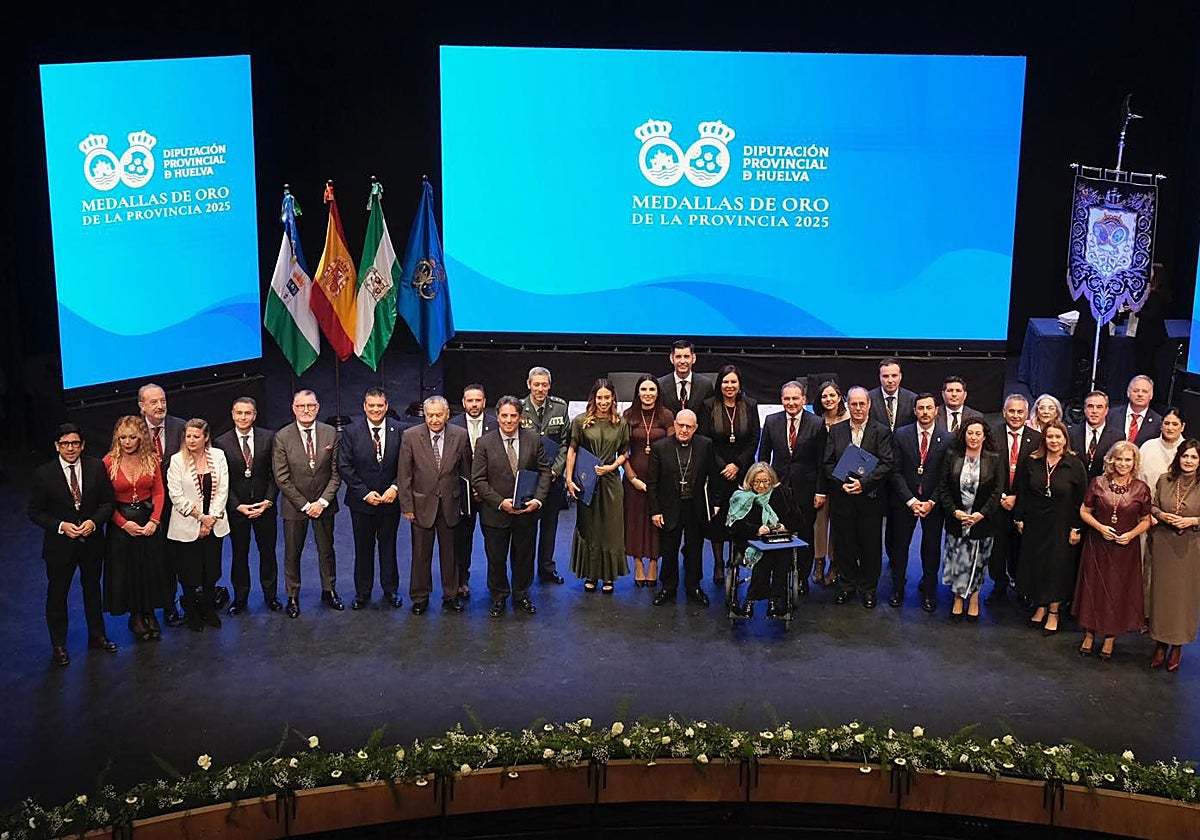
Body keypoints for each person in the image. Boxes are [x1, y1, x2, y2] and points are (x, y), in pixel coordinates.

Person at [28, 423, 117, 665]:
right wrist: (61, 526)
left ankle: (97, 636)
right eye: (66, 444)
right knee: (58, 595)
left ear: (82, 445)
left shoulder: (96, 467)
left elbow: (108, 503)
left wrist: (94, 522)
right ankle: (58, 645)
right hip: (60, 546)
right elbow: (35, 512)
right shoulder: (44, 474)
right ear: (57, 446)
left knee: (92, 591)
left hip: (91, 542)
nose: (71, 448)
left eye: (75, 443)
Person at [472, 395, 551, 617]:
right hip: (495, 514)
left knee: (524, 557)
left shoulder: (533, 439)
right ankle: (498, 597)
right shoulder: (484, 443)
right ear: (497, 417)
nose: (508, 420)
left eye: (513, 416)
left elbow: (545, 471)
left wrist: (538, 499)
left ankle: (521, 595)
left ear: (520, 417)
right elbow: (478, 479)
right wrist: (500, 503)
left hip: (526, 512)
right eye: (504, 416)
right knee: (496, 559)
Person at [1073, 441, 1152, 660]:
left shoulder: (1141, 489)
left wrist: (1131, 534)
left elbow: (1147, 520)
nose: (1123, 464)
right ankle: (1089, 634)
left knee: (1117, 592)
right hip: (1098, 545)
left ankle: (1109, 638)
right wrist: (1099, 528)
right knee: (1094, 589)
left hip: (1125, 549)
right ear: (1111, 460)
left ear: (1134, 462)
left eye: (1128, 460)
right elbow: (1084, 511)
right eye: (1119, 459)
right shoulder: (1098, 483)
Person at [398, 395, 472, 614]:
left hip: (450, 505)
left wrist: (465, 503)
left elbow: (465, 472)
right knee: (421, 555)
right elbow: (404, 476)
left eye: (439, 415)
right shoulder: (410, 436)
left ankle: (451, 595)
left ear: (447, 414)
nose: (434, 419)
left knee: (451, 554)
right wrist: (407, 507)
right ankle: (419, 596)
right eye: (430, 415)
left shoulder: (460, 435)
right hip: (421, 506)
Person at [272, 389, 342, 619]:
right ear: (293, 409)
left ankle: (329, 590)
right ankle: (292, 596)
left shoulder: (330, 433)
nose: (306, 410)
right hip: (295, 507)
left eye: (310, 406)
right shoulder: (282, 437)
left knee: (326, 550)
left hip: (324, 505)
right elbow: (281, 477)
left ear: (318, 407)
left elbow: (336, 473)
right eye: (301, 406)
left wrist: (322, 502)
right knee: (293, 553)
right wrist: (305, 505)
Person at [1013, 420, 1088, 635]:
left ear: (1065, 439)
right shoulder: (1032, 461)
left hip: (1062, 524)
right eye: (1050, 437)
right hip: (1036, 522)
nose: (1054, 441)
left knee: (1056, 567)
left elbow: (1081, 499)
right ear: (1043, 439)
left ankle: (1053, 612)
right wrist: (1019, 518)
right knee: (1036, 564)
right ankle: (1040, 606)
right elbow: (1023, 492)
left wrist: (1077, 528)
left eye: (1058, 437)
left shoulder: (1074, 465)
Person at [824, 386, 894, 609]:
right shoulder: (836, 430)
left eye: (862, 403)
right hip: (842, 498)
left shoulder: (881, 431)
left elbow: (887, 463)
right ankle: (846, 586)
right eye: (853, 404)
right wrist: (843, 483)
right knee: (844, 546)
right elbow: (827, 463)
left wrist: (862, 485)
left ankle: (868, 589)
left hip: (870, 500)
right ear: (847, 404)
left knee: (870, 547)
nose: (858, 408)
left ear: (869, 405)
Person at [214, 397, 282, 616]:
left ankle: (271, 596)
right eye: (239, 413)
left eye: (248, 413)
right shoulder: (221, 442)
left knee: (268, 552)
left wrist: (269, 500)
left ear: (255, 415)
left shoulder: (268, 438)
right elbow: (223, 480)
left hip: (265, 507)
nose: (243, 417)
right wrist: (236, 506)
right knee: (239, 554)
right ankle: (240, 598)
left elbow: (275, 474)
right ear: (233, 414)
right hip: (238, 510)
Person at [758, 380, 826, 596]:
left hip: (806, 490)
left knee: (804, 534)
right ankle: (779, 574)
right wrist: (762, 488)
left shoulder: (816, 423)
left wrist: (820, 491)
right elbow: (764, 457)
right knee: (777, 533)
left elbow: (822, 461)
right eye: (787, 398)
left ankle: (802, 577)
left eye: (795, 398)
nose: (791, 402)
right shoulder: (771, 421)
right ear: (781, 400)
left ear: (804, 400)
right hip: (777, 490)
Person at [338, 388, 403, 611]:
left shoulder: (399, 430)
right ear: (364, 406)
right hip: (361, 503)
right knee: (362, 548)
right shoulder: (350, 431)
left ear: (386, 406)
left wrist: (395, 487)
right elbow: (344, 466)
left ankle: (391, 589)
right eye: (371, 405)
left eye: (380, 405)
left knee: (389, 547)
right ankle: (362, 592)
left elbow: (405, 464)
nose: (376, 409)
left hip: (390, 501)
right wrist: (364, 492)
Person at [102, 417, 167, 641]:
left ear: (141, 438)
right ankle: (135, 615)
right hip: (121, 523)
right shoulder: (109, 462)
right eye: (123, 438)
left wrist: (154, 521)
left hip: (147, 519)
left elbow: (159, 492)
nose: (127, 442)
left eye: (132, 437)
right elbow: (104, 500)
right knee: (127, 570)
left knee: (149, 568)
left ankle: (149, 612)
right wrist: (123, 523)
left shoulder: (151, 459)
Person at [888, 394, 953, 611]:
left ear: (936, 411)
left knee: (931, 548)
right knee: (899, 547)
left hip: (933, 504)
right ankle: (897, 588)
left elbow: (946, 476)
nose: (925, 412)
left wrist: (932, 501)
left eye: (929, 408)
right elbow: (895, 471)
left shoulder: (947, 438)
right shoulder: (901, 435)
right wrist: (910, 500)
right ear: (914, 411)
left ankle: (930, 591)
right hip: (905, 501)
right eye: (920, 408)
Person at [566, 379, 630, 592]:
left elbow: (624, 453)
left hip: (611, 484)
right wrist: (569, 479)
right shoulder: (580, 421)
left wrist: (612, 467)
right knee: (590, 528)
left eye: (607, 397)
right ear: (593, 398)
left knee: (610, 529)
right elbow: (572, 450)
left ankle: (609, 576)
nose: (603, 401)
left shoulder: (620, 423)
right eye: (599, 397)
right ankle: (591, 574)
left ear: (613, 398)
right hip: (587, 483)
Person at [647, 409, 716, 607]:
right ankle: (668, 587)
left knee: (695, 548)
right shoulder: (660, 447)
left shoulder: (705, 445)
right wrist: (655, 510)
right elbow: (652, 483)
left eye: (689, 426)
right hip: (669, 506)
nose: (684, 430)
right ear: (675, 425)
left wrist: (716, 503)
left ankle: (693, 586)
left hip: (695, 506)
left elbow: (713, 476)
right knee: (669, 549)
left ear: (695, 428)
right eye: (681, 425)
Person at [165, 419, 230, 632]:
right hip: (187, 525)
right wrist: (200, 518)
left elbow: (223, 490)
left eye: (196, 436)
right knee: (189, 572)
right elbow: (175, 494)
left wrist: (211, 518)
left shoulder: (218, 456)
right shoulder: (176, 461)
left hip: (214, 524)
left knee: (211, 570)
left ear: (206, 437)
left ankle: (208, 609)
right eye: (188, 436)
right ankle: (192, 612)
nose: (191, 440)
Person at [700, 365, 761, 584]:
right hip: (716, 470)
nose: (729, 386)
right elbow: (706, 440)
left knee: (741, 515)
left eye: (733, 382)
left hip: (743, 471)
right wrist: (723, 466)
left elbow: (755, 438)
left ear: (739, 384)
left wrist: (737, 464)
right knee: (718, 519)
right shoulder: (708, 406)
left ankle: (735, 557)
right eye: (725, 382)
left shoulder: (750, 405)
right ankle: (717, 563)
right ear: (719, 384)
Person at [937, 419, 1003, 622]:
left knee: (978, 562)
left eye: (977, 434)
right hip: (957, 519)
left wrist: (980, 514)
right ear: (963, 435)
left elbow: (997, 491)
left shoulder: (994, 458)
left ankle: (973, 598)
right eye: (969, 433)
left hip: (982, 521)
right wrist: (955, 512)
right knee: (958, 561)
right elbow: (943, 487)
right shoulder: (952, 456)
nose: (973, 437)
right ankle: (957, 598)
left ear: (984, 436)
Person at [138, 382, 188, 626]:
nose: (160, 406)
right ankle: (165, 605)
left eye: (163, 400)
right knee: (158, 560)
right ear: (141, 406)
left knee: (182, 556)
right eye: (153, 402)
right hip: (148, 509)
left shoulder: (181, 427)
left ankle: (187, 601)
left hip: (180, 506)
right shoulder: (133, 431)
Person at [1147, 439, 1200, 672]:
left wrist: (1193, 520)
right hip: (1163, 543)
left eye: (1194, 457)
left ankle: (1177, 645)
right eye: (1185, 456)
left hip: (1190, 547)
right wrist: (1163, 516)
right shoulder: (1165, 480)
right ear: (1178, 458)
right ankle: (1160, 643)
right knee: (1162, 595)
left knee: (1183, 598)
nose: (1188, 461)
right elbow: (1152, 506)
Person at [727, 462, 801, 619]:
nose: (762, 485)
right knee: (765, 555)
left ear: (772, 480)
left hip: (779, 541)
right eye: (757, 481)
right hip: (751, 541)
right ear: (750, 482)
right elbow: (734, 526)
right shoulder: (741, 497)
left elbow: (798, 519)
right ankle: (752, 601)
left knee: (782, 556)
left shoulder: (780, 494)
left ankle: (773, 601)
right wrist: (756, 530)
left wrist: (783, 526)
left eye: (766, 481)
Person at [620, 375, 674, 587]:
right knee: (635, 522)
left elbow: (671, 447)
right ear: (638, 393)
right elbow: (622, 450)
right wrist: (632, 478)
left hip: (659, 479)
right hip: (634, 478)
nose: (648, 393)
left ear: (658, 392)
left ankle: (653, 562)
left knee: (655, 522)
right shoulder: (628, 415)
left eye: (652, 389)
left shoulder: (667, 415)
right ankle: (638, 563)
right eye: (644, 389)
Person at [989, 394, 1042, 605]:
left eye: (1020, 412)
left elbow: (1037, 475)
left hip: (1024, 504)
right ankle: (998, 585)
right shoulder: (992, 436)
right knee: (997, 548)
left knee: (1021, 548)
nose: (1016, 415)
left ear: (1027, 414)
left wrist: (1017, 498)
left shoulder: (1038, 439)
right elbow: (988, 470)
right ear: (1004, 412)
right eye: (1011, 411)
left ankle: (1022, 588)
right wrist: (1002, 495)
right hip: (997, 503)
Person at [520, 366, 570, 584]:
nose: (540, 389)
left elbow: (566, 443)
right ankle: (525, 571)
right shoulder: (518, 408)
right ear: (528, 384)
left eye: (544, 384)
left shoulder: (560, 407)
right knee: (527, 527)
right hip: (529, 479)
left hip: (552, 478)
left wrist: (555, 470)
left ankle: (546, 568)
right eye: (536, 384)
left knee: (550, 525)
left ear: (549, 386)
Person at [449, 383, 497, 598]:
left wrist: (483, 489)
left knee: (494, 542)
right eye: (470, 400)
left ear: (485, 402)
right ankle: (461, 581)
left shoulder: (496, 425)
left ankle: (496, 583)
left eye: (478, 400)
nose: (474, 404)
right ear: (463, 402)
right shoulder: (452, 426)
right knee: (462, 541)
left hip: (490, 495)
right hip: (463, 494)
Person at [1139, 407, 1186, 623]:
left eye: (1175, 424)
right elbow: (1138, 480)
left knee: (1165, 573)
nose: (1170, 427)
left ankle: (1160, 617)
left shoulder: (1188, 451)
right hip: (1144, 516)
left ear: (1182, 427)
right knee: (1141, 566)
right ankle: (1142, 613)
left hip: (1176, 522)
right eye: (1167, 423)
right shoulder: (1148, 447)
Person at [813, 380, 849, 586]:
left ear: (839, 397)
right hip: (819, 480)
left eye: (832, 395)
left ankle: (834, 564)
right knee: (819, 523)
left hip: (842, 481)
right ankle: (819, 561)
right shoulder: (815, 421)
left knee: (838, 524)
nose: (828, 399)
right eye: (824, 396)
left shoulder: (849, 419)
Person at [1069, 391, 1124, 481]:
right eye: (1090, 406)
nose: (1094, 411)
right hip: (1074, 488)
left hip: (1102, 489)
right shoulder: (1071, 433)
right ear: (1084, 409)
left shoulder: (1117, 436)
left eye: (1099, 407)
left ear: (1106, 411)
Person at [658, 339, 715, 414]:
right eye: (678, 357)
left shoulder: (705, 385)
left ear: (693, 358)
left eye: (686, 357)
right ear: (672, 358)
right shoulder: (660, 384)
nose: (682, 361)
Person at [1107, 375, 1163, 446]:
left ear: (1151, 395)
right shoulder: (1111, 415)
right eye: (1135, 391)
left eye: (1144, 392)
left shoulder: (1158, 422)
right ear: (1128, 393)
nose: (1140, 394)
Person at [868, 357, 917, 432]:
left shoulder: (912, 399)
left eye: (894, 376)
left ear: (900, 376)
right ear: (879, 377)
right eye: (885, 376)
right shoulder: (869, 398)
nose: (890, 380)